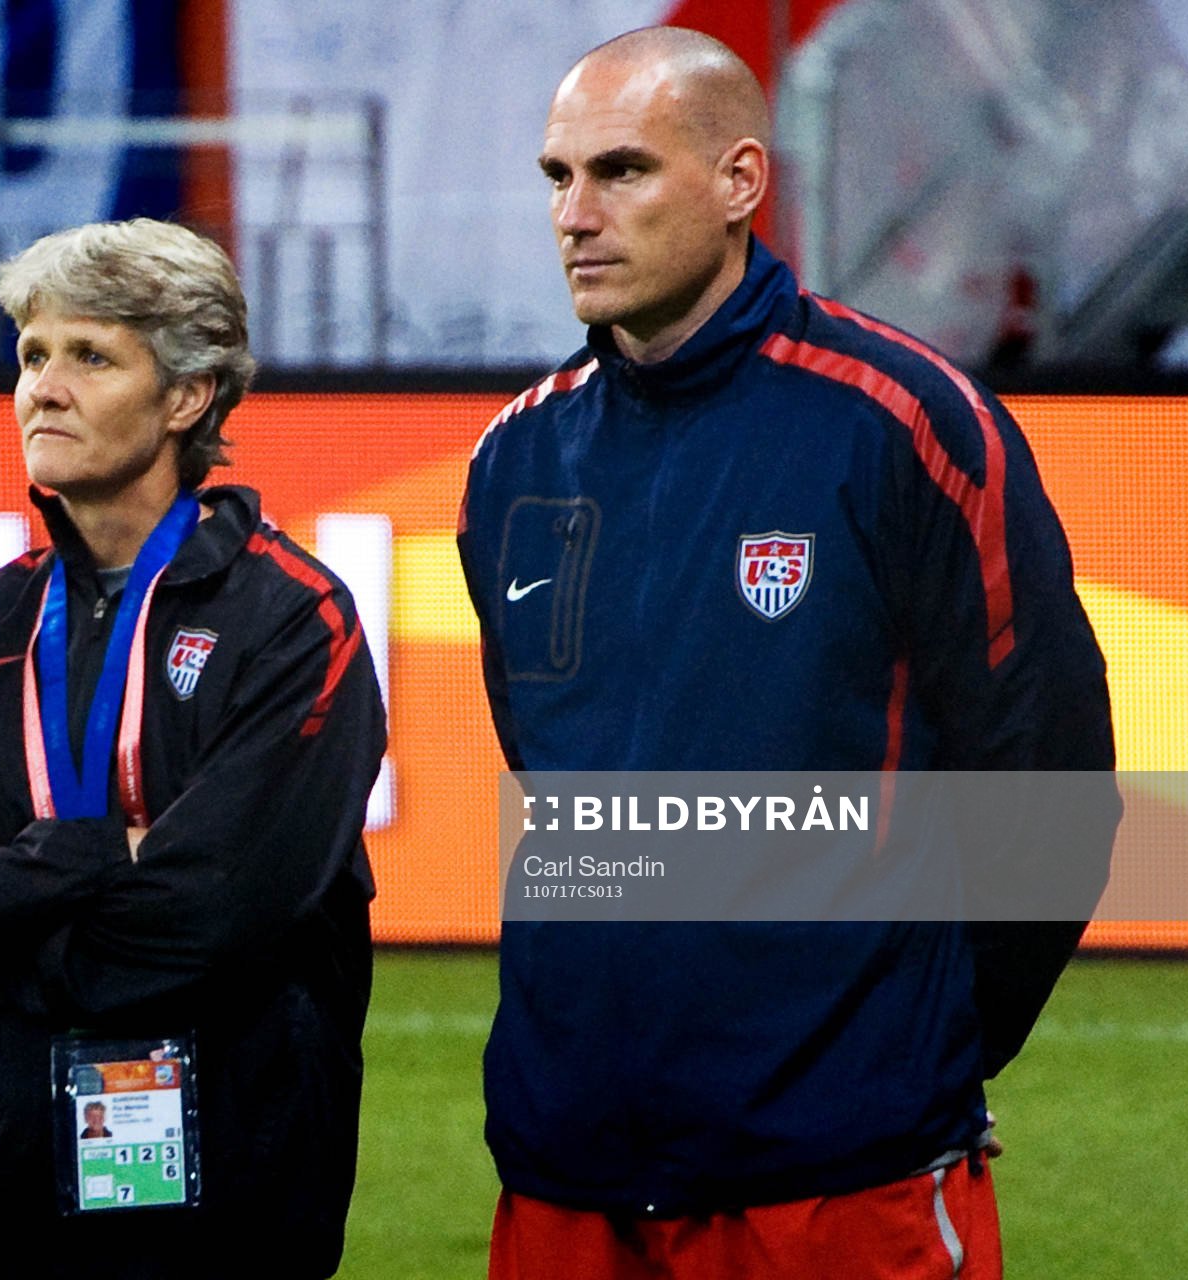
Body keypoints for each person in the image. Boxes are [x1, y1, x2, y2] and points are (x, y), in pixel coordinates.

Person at [455, 27, 1120, 1280]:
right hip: (568, 1166)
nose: (576, 216)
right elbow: (549, 779)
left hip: (841, 1175)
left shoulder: (909, 424)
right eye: (557, 178)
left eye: (622, 171)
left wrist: (914, 1049)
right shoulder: (513, 462)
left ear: (741, 184)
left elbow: (1052, 786)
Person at [0, 218, 384, 1280]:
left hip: (227, 1211)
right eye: (33, 354)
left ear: (187, 396)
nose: (44, 386)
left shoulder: (293, 619)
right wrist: (96, 857)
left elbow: (215, 914)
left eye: (91, 355)